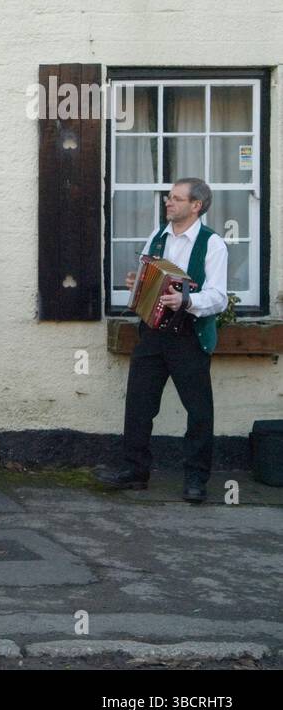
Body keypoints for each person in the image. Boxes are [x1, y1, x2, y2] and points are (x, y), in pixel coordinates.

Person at [95, 178, 228, 504]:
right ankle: (135, 471)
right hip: (153, 333)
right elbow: (146, 274)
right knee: (139, 404)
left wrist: (186, 302)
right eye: (169, 197)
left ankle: (196, 479)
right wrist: (136, 282)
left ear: (196, 206)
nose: (168, 202)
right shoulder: (157, 236)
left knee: (198, 411)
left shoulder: (212, 245)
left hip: (188, 334)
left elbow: (219, 297)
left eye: (177, 198)